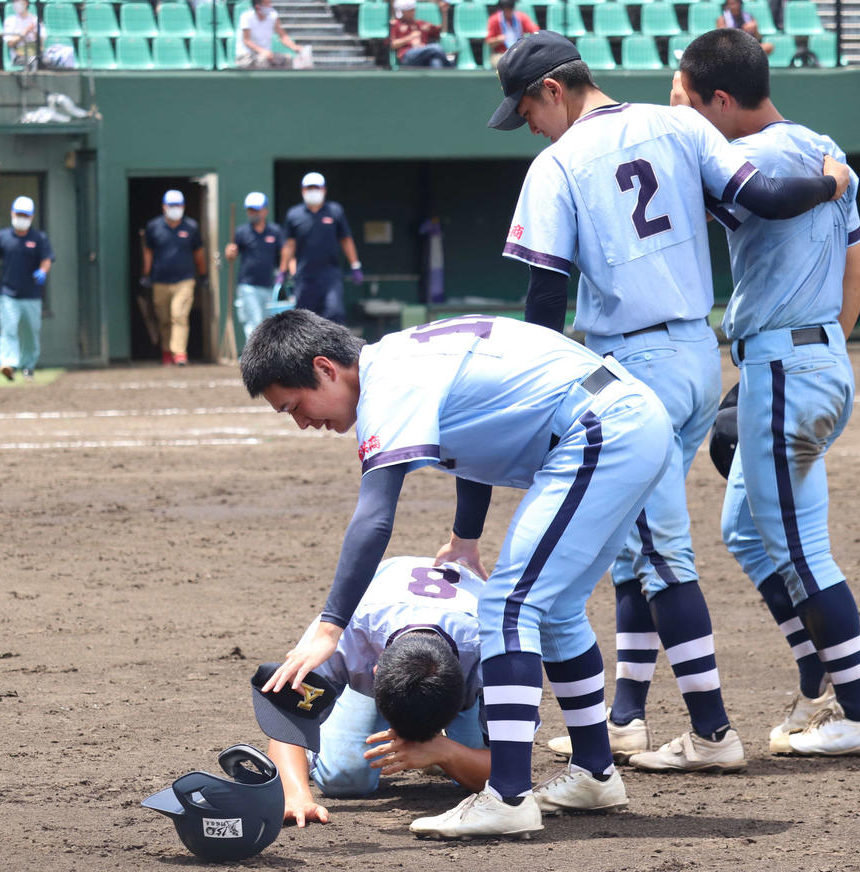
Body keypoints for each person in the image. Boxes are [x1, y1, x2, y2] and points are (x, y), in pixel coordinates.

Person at [488, 32, 849, 774]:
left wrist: (541, 382)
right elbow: (769, 198)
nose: (525, 122)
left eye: (525, 106)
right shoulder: (680, 122)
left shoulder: (557, 163)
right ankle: (624, 718)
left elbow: (545, 295)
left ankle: (713, 733)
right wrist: (832, 184)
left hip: (630, 366)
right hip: (694, 352)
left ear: (554, 89)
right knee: (632, 539)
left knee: (659, 549)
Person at [244, 309, 675, 839]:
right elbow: (476, 442)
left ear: (326, 368)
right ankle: (594, 773)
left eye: (295, 405)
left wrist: (332, 625)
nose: (302, 421)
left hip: (600, 428)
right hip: (625, 418)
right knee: (556, 609)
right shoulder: (404, 356)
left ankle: (508, 796)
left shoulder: (387, 382)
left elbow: (375, 516)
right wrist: (465, 537)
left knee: (509, 607)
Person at [673, 29, 860, 756]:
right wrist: (821, 354)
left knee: (800, 550)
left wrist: (790, 358)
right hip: (820, 359)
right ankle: (818, 677)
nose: (690, 120)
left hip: (785, 367)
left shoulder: (747, 160)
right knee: (745, 529)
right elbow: (856, 274)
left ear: (723, 99)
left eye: (692, 104)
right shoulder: (823, 143)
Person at [251, 556, 490, 827]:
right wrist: (296, 795)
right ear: (374, 672)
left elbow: (510, 772)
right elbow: (287, 710)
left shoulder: (494, 650)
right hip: (376, 642)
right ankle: (318, 745)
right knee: (344, 780)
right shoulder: (344, 631)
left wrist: (447, 751)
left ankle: (447, 743)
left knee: (476, 782)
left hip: (460, 656)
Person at [0, 195, 53, 382]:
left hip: (31, 295)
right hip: (8, 294)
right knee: (9, 329)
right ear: (12, 213)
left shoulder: (39, 238)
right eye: (19, 214)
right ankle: (9, 365)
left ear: (31, 216)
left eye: (25, 215)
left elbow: (46, 259)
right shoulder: (3, 237)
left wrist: (43, 272)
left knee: (30, 332)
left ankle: (28, 367)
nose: (21, 218)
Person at [281, 172, 361, 324]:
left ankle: (336, 348)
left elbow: (346, 239)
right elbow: (290, 245)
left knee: (334, 313)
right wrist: (283, 270)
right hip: (304, 276)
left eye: (316, 188)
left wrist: (355, 265)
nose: (313, 191)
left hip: (331, 275)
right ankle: (306, 349)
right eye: (309, 188)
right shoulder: (294, 214)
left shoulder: (335, 211)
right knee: (304, 319)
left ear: (324, 190)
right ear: (303, 191)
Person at [141, 189, 205, 366]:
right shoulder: (154, 226)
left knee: (179, 314)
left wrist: (203, 273)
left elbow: (198, 252)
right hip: (160, 280)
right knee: (164, 318)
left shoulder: (191, 227)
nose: (175, 209)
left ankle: (179, 353)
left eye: (178, 205)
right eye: (171, 206)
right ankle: (167, 351)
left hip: (185, 279)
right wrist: (146, 274)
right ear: (164, 207)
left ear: (183, 206)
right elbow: (148, 251)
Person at [225, 191, 287, 343]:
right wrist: (230, 252)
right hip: (248, 285)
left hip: (268, 285)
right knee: (254, 321)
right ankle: (254, 358)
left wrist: (283, 271)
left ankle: (263, 358)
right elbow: (230, 254)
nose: (253, 213)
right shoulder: (241, 232)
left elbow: (285, 251)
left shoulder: (275, 231)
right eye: (250, 210)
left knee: (267, 324)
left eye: (256, 210)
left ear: (265, 210)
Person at [390, 0, 454, 68]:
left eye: (412, 10)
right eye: (408, 10)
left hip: (425, 53)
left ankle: (439, 77)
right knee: (436, 48)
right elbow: (392, 44)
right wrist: (410, 37)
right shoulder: (396, 24)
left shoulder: (420, 24)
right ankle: (451, 66)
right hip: (407, 55)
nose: (412, 12)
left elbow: (442, 31)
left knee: (436, 61)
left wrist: (444, 13)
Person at [236, 0, 299, 69]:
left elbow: (282, 35)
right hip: (246, 56)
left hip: (267, 55)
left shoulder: (273, 15)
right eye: (267, 4)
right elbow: (247, 41)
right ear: (257, 7)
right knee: (263, 60)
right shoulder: (246, 17)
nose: (270, 6)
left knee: (288, 59)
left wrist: (294, 47)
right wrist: (263, 51)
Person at [485, 0, 538, 67]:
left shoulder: (521, 17)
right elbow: (489, 42)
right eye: (505, 7)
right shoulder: (494, 19)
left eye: (510, 7)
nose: (508, 10)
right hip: (501, 53)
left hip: (519, 52)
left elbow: (536, 31)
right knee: (503, 64)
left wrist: (527, 40)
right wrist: (498, 39)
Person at [3, 0, 44, 69]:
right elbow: (10, 43)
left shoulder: (35, 19)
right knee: (34, 61)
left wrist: (35, 33)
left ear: (26, 3)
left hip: (35, 53)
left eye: (19, 1)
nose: (16, 4)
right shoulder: (10, 20)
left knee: (48, 59)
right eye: (15, 2)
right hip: (18, 58)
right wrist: (25, 32)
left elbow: (42, 42)